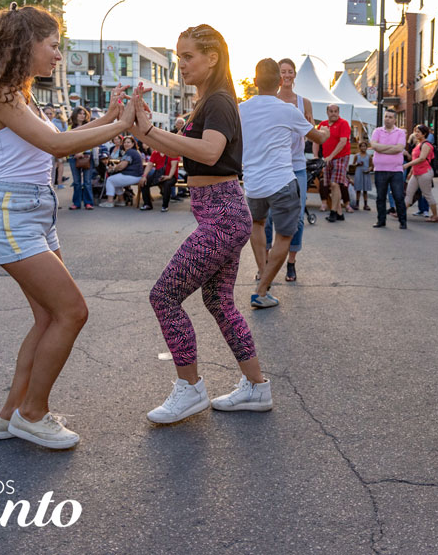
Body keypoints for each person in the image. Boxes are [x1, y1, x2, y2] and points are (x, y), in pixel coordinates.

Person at [0, 2, 135, 449]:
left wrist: (112, 116)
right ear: (25, 44)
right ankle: (33, 414)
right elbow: (57, 146)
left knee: (47, 317)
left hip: (34, 210)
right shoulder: (1, 93)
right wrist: (120, 126)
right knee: (72, 312)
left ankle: (10, 416)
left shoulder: (19, 92)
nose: (58, 56)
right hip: (11, 213)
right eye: (53, 46)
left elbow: (53, 143)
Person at [129, 25, 272, 423]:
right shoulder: (208, 101)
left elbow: (210, 153)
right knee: (218, 302)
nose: (181, 64)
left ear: (212, 58)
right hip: (222, 212)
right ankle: (257, 388)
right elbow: (182, 150)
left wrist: (152, 131)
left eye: (187, 56)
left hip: (222, 216)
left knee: (164, 297)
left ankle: (190, 389)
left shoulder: (220, 101)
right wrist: (142, 128)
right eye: (178, 56)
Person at [240, 58, 328, 308]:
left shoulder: (241, 109)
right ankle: (262, 288)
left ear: (255, 81)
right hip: (282, 182)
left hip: (254, 184)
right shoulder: (289, 110)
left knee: (257, 225)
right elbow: (318, 137)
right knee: (285, 235)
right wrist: (326, 131)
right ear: (279, 81)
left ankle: (262, 273)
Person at [266, 57, 315, 283]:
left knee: (297, 217)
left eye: (290, 71)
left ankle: (291, 262)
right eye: (282, 71)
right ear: (277, 75)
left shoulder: (304, 102)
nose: (286, 75)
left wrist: (309, 127)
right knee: (267, 216)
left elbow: (310, 130)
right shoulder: (270, 100)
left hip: (297, 166)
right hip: (274, 165)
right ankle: (266, 262)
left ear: (294, 75)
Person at [370, 109, 408, 229]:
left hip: (396, 170)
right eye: (386, 116)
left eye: (391, 117)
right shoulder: (377, 131)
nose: (388, 119)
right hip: (380, 169)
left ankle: (403, 221)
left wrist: (382, 148)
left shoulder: (400, 132)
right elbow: (374, 146)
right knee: (380, 197)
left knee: (398, 196)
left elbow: (399, 148)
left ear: (395, 119)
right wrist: (391, 147)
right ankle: (381, 220)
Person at [316, 104, 351, 223]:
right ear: (327, 112)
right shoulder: (323, 124)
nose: (333, 113)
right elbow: (317, 140)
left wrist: (331, 156)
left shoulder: (343, 123)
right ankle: (340, 213)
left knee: (335, 184)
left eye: (336, 111)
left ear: (339, 112)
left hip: (341, 157)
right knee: (331, 185)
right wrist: (316, 156)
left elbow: (343, 142)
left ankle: (333, 212)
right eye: (331, 111)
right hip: (327, 158)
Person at [403, 124, 438, 223]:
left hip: (425, 173)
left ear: (424, 133)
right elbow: (415, 158)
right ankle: (401, 213)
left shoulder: (427, 145)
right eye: (415, 131)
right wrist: (411, 171)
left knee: (427, 194)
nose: (416, 133)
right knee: (409, 193)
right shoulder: (418, 144)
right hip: (416, 173)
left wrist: (407, 165)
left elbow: (422, 158)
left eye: (418, 132)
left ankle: (435, 216)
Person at [66, 106, 98, 210]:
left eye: (84, 114)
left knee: (88, 181)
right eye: (80, 113)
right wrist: (75, 153)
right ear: (75, 115)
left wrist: (81, 152)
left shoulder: (89, 127)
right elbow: (67, 142)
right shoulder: (70, 127)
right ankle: (76, 203)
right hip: (73, 157)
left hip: (87, 156)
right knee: (76, 182)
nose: (82, 115)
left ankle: (88, 203)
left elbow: (91, 141)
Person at [99, 136, 144, 207]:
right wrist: (116, 167)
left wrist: (113, 168)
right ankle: (121, 201)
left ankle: (109, 201)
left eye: (128, 142)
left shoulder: (130, 152)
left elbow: (122, 165)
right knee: (115, 181)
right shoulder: (134, 151)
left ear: (133, 144)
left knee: (110, 180)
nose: (126, 144)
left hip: (133, 175)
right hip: (136, 175)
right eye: (125, 142)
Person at [139, 147, 180, 212]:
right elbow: (149, 165)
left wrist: (169, 176)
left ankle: (165, 206)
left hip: (171, 176)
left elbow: (173, 166)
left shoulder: (172, 153)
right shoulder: (155, 153)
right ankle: (147, 204)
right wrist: (144, 176)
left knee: (167, 183)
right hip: (159, 175)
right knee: (144, 182)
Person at [352, 140, 373, 211]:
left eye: (364, 146)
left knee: (365, 190)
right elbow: (353, 165)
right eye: (362, 146)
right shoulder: (356, 156)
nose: (363, 148)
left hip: (365, 173)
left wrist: (369, 170)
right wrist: (357, 164)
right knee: (358, 189)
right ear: (359, 147)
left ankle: (365, 204)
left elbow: (371, 166)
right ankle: (357, 204)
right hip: (358, 173)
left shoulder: (369, 157)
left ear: (367, 147)